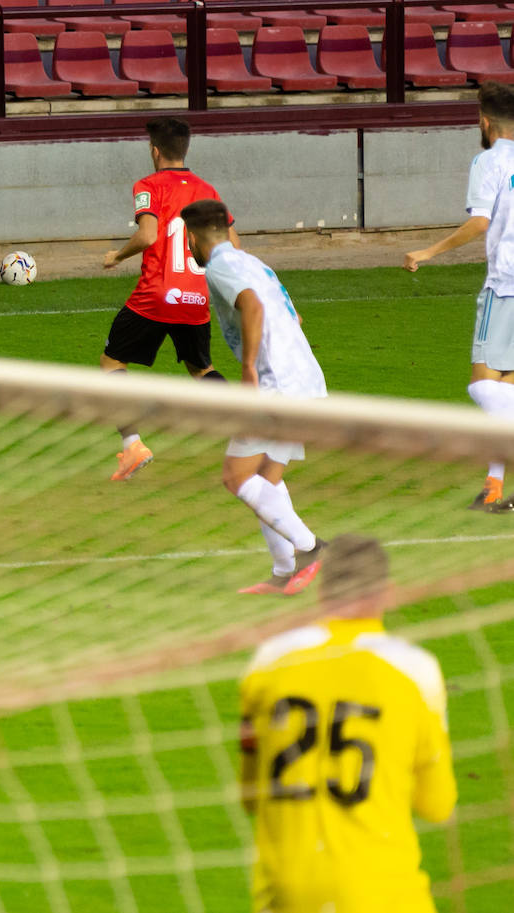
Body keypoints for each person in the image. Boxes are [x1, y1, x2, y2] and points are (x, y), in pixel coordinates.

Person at [238, 534, 457, 913]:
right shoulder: (414, 670)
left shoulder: (269, 661)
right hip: (383, 893)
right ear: (387, 593)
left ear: (323, 588)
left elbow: (251, 797)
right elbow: (437, 806)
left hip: (286, 896)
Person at [182, 199, 326, 594]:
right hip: (305, 379)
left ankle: (310, 548)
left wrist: (248, 369)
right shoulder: (256, 263)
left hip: (275, 386)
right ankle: (283, 572)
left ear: (193, 238)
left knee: (236, 476)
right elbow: (294, 317)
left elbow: (253, 305)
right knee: (267, 481)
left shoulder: (221, 267)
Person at [100, 116, 239, 481]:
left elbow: (147, 236)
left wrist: (116, 256)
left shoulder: (147, 185)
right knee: (201, 370)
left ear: (155, 150)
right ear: (186, 150)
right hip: (196, 298)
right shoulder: (209, 190)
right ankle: (248, 422)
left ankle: (132, 445)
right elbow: (234, 248)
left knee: (112, 362)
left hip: (156, 296)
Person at [404, 82, 514, 512]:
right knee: (505, 388)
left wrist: (426, 252)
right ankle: (493, 487)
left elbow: (480, 224)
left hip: (506, 286)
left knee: (483, 386)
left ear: (485, 121)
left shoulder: (488, 161)